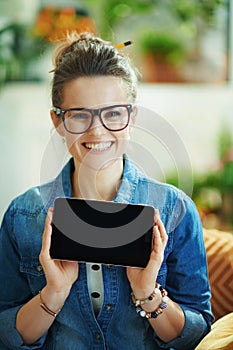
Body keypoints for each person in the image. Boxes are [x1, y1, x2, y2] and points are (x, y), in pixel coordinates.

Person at [0, 32, 213, 350]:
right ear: (58, 122)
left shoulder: (175, 210)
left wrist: (147, 294)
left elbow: (199, 335)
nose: (97, 130)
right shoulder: (23, 215)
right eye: (79, 114)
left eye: (113, 113)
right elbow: (5, 334)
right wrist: (52, 296)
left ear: (132, 118)